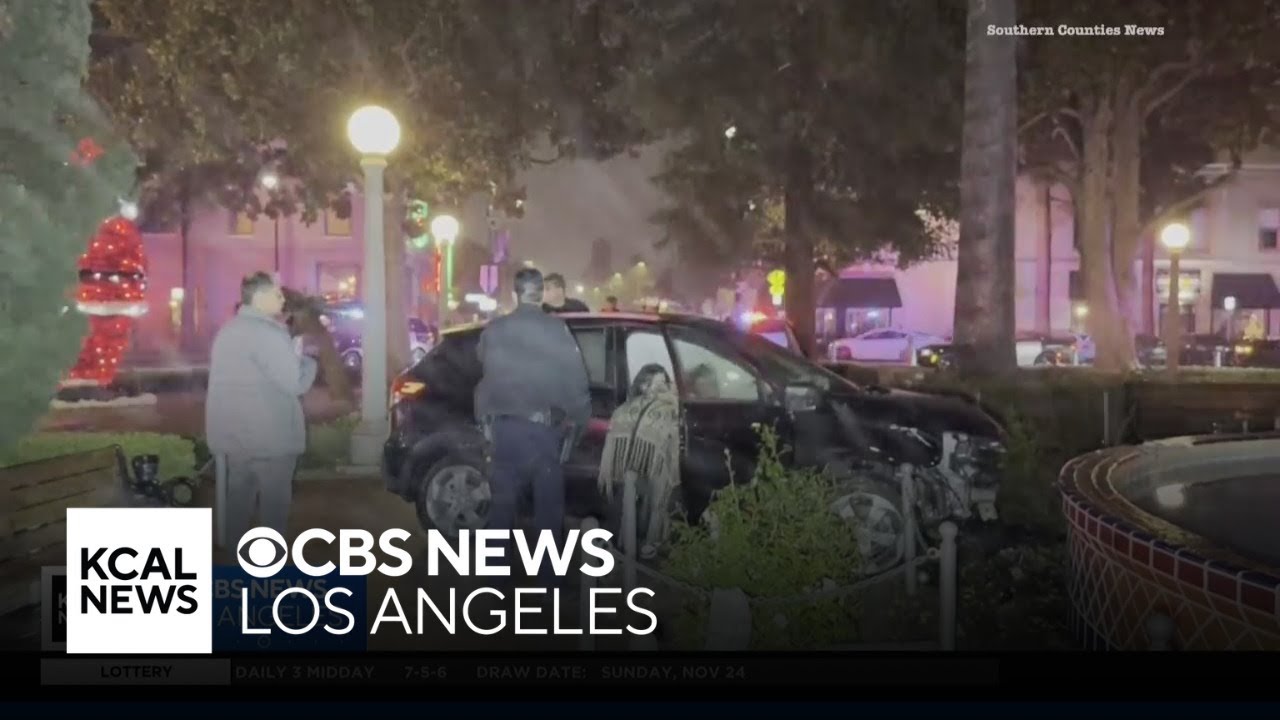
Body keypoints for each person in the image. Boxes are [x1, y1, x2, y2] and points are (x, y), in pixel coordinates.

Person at [476, 267, 591, 589]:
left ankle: (493, 581)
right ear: (540, 295)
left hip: (503, 431)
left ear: (514, 295)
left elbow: (484, 374)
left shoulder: (494, 330)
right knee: (548, 511)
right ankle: (548, 584)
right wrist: (578, 424)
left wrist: (484, 422)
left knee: (501, 507)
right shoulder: (558, 331)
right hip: (543, 434)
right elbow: (577, 385)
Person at [206, 272, 317, 547]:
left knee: (238, 507)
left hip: (236, 437)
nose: (282, 299)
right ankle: (268, 576)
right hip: (271, 439)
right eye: (277, 294)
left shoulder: (228, 331)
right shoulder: (268, 334)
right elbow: (294, 383)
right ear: (259, 297)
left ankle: (233, 571)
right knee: (273, 515)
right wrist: (307, 362)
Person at [598, 364, 682, 560]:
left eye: (663, 383)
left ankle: (634, 549)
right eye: (653, 383)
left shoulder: (668, 409)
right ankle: (626, 554)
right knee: (626, 510)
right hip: (633, 472)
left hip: (643, 472)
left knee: (643, 509)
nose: (658, 389)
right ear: (641, 385)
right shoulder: (628, 409)